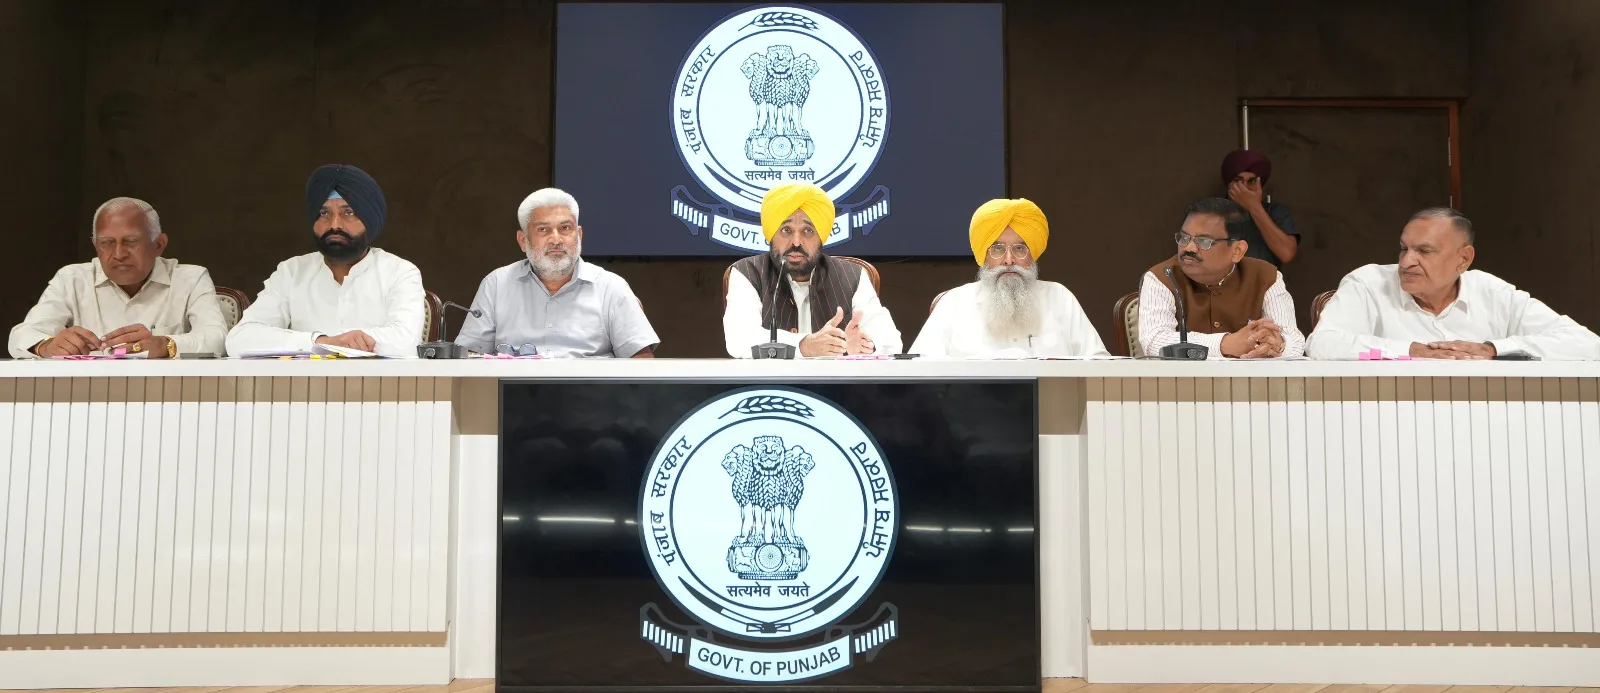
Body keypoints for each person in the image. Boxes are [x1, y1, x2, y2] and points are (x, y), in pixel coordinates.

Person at [1307, 207, 1600, 360]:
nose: (1406, 262)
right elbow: (1323, 344)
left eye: (1424, 251)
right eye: (1404, 248)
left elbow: (1587, 344)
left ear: (1463, 259)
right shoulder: (1369, 283)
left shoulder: (1492, 292)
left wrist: (1492, 349)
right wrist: (1412, 351)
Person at [225, 164, 424, 357]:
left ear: (370, 219)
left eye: (348, 212)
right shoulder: (292, 272)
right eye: (324, 213)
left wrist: (334, 343)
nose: (334, 225)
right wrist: (321, 341)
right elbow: (240, 339)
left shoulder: (399, 272)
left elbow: (406, 342)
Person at [8, 197, 228, 359]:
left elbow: (217, 338)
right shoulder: (71, 279)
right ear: (95, 245)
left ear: (159, 245)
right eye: (107, 243)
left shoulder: (190, 279)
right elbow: (21, 335)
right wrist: (46, 346)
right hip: (86, 396)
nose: (119, 254)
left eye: (130, 241)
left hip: (165, 396)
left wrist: (166, 345)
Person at [455, 188, 658, 358]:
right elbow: (469, 356)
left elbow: (642, 363)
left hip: (592, 393)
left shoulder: (611, 287)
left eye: (565, 228)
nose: (556, 239)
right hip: (512, 392)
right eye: (543, 230)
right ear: (523, 240)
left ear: (579, 235)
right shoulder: (496, 285)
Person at [911, 198, 1107, 358]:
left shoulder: (1059, 297)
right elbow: (920, 367)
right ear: (983, 256)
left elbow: (1099, 363)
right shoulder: (954, 302)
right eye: (997, 249)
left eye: (1020, 248)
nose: (1009, 260)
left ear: (1032, 255)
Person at [722, 182, 901, 358]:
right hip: (770, 378)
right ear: (772, 234)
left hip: (836, 378)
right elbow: (739, 339)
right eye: (786, 230)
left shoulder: (853, 276)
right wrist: (805, 345)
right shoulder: (748, 273)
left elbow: (890, 341)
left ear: (821, 236)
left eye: (807, 231)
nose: (796, 242)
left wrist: (864, 346)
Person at [1138, 197, 1304, 359]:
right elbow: (1154, 341)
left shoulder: (1266, 277)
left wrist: (1278, 345)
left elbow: (1294, 340)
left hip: (1248, 377)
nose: (1189, 248)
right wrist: (1225, 344)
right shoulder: (1162, 277)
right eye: (1184, 238)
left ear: (1237, 250)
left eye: (1204, 241)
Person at [1220, 149, 1301, 266]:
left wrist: (1255, 207)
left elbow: (1286, 253)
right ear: (1229, 184)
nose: (1245, 187)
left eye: (1251, 181)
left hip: (1264, 278)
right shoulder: (1212, 213)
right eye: (1238, 180)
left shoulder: (1276, 212)